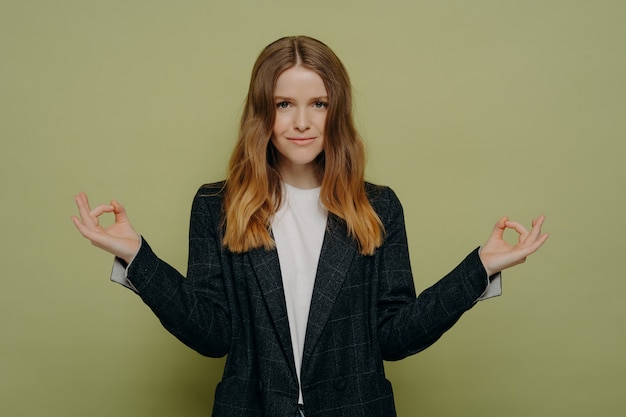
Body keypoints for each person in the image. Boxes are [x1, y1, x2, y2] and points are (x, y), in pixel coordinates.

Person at [72, 36, 549, 417]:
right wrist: (138, 257)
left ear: (335, 110)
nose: (301, 122)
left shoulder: (377, 207)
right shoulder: (217, 205)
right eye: (284, 104)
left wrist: (480, 269)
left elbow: (394, 337)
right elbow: (213, 334)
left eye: (318, 103)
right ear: (264, 112)